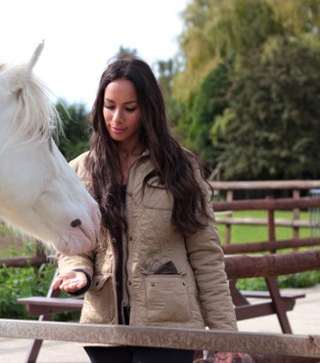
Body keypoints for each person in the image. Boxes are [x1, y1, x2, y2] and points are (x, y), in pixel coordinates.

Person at [52, 55, 239, 363]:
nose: (116, 118)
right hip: (103, 331)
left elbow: (206, 255)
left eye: (129, 108)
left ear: (148, 109)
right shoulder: (81, 170)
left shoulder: (180, 168)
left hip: (170, 329)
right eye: (109, 106)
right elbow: (73, 243)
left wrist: (224, 335)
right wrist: (77, 271)